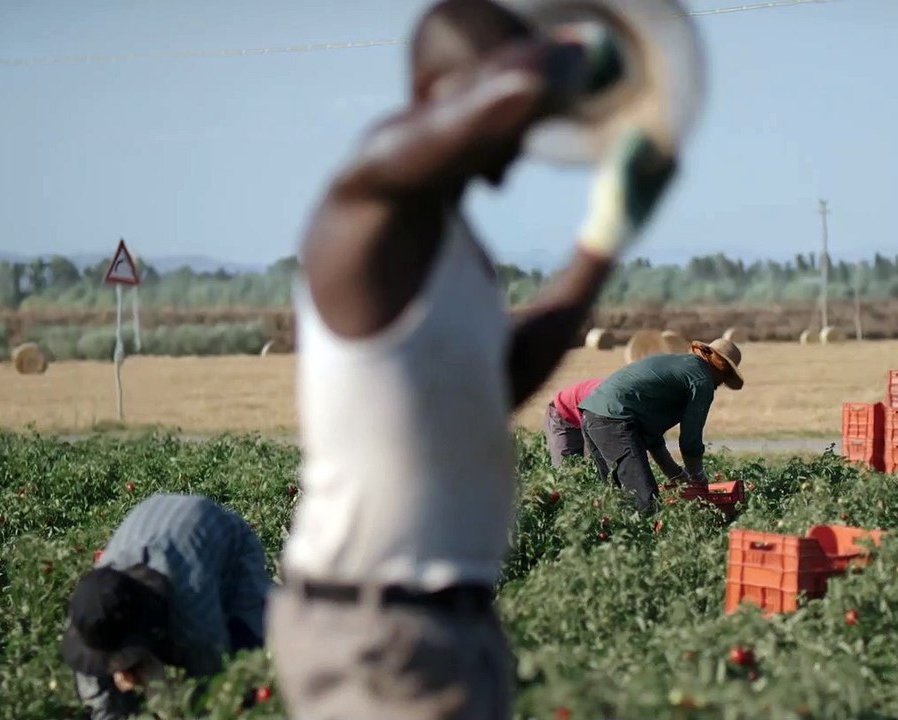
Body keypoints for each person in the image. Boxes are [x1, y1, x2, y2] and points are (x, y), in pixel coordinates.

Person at [267, 0, 680, 717]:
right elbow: (521, 88)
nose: (529, 133)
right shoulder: (365, 202)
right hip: (375, 631)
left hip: (447, 619)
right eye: (518, 111)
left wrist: (601, 243)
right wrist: (588, 50)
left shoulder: (460, 254)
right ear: (437, 93)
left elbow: (498, 386)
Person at [60, 493, 272, 720]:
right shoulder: (93, 606)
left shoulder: (192, 609)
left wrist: (180, 708)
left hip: (227, 543)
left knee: (245, 653)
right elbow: (95, 686)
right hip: (159, 522)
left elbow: (212, 681)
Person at [578, 338, 744, 513]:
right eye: (725, 377)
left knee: (616, 500)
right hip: (613, 420)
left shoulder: (681, 367)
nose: (721, 384)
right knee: (646, 502)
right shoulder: (702, 379)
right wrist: (698, 479)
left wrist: (677, 475)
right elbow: (690, 440)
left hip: (593, 414)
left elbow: (652, 438)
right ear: (722, 368)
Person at [545, 376, 602, 467]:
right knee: (565, 467)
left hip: (583, 416)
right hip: (561, 415)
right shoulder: (600, 399)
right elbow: (592, 446)